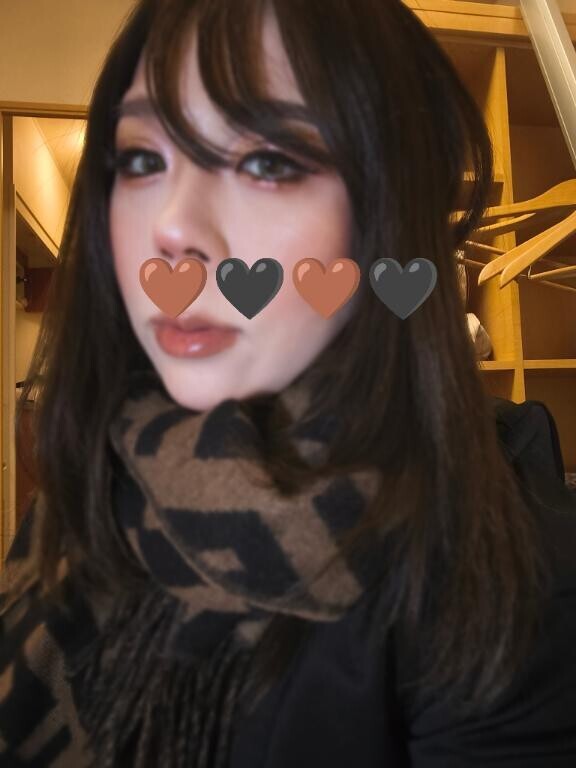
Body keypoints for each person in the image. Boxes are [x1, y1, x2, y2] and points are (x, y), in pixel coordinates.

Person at [2, 0, 576, 765]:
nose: (172, 226)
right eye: (141, 159)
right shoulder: (83, 495)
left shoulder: (508, 581)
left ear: (388, 211)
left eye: (269, 161)